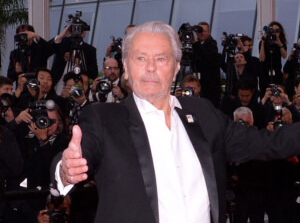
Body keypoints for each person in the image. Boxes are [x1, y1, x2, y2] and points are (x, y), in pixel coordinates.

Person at [52, 21, 300, 223]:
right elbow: (78, 153)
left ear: (176, 67)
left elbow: (264, 142)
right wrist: (66, 169)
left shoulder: (203, 113)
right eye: (140, 58)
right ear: (125, 67)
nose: (151, 68)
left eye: (161, 59)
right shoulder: (104, 119)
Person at [49, 21, 98, 94]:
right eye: (74, 28)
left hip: (80, 85)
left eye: (80, 29)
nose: (77, 31)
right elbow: (47, 48)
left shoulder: (90, 50)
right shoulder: (63, 42)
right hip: (60, 84)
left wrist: (78, 62)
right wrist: (62, 35)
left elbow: (94, 73)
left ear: (84, 33)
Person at [192, 22, 221, 107]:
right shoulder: (194, 45)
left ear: (209, 32)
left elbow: (207, 58)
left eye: (204, 31)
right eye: (199, 30)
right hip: (198, 82)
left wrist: (196, 43)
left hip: (210, 88)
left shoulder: (212, 44)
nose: (201, 33)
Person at [259, 21, 287, 94]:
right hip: (265, 74)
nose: (275, 33)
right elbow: (262, 59)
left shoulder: (282, 43)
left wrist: (279, 43)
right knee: (265, 94)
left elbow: (284, 56)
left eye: (278, 31)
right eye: (273, 31)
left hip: (277, 73)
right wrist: (263, 42)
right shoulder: (264, 43)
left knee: (277, 94)